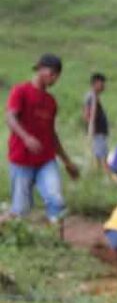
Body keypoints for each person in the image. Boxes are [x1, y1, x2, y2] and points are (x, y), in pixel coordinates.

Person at [5, 53, 80, 226]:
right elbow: (10, 117)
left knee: (56, 200)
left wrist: (68, 162)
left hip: (46, 160)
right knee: (21, 211)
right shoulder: (21, 91)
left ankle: (56, 239)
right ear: (40, 69)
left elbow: (52, 134)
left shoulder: (51, 101)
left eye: (57, 75)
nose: (54, 78)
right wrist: (26, 138)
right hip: (21, 160)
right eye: (52, 73)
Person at [83, 73, 109, 171]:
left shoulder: (93, 96)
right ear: (95, 84)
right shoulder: (92, 96)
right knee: (103, 154)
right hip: (98, 131)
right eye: (102, 84)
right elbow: (87, 113)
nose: (104, 86)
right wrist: (91, 126)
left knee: (98, 153)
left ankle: (97, 173)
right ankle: (106, 175)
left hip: (98, 130)